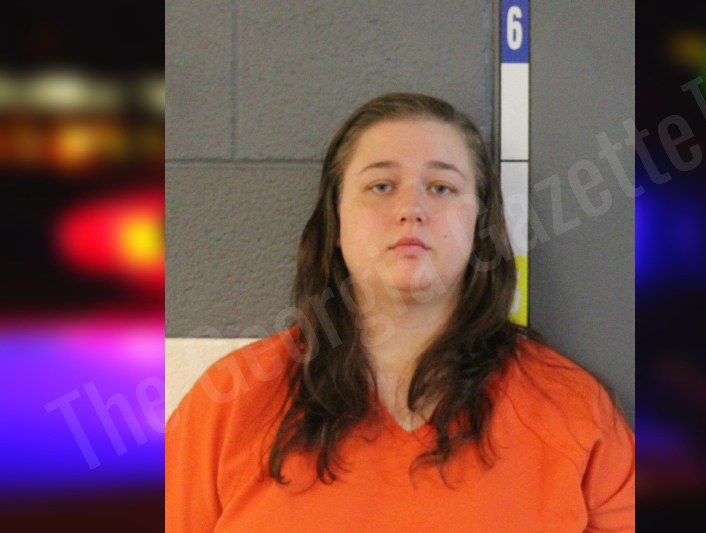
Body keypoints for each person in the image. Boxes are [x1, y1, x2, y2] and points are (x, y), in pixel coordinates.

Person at [166, 93, 635, 532]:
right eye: (381, 185)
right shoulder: (228, 405)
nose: (411, 208)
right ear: (336, 222)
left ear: (481, 225)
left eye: (442, 187)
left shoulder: (571, 410)